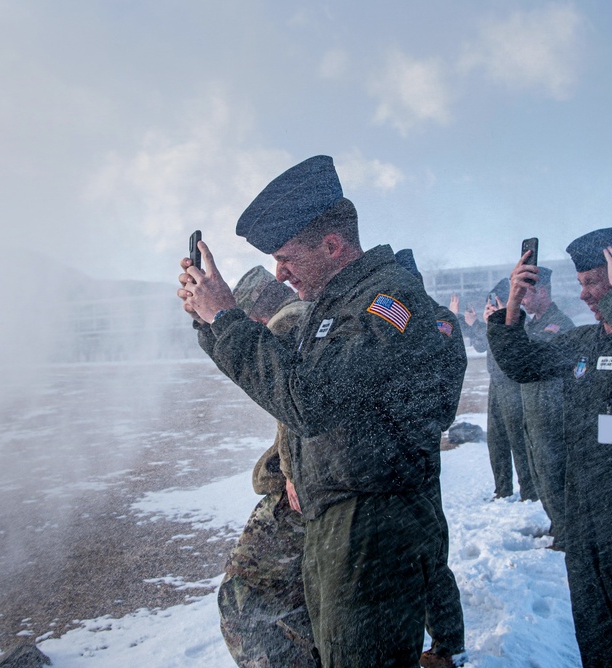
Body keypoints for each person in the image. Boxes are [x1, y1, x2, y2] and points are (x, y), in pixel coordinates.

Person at [178, 155, 461, 667]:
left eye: (287, 259)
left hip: (374, 530)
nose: (280, 275)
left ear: (332, 245)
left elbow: (310, 399)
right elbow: (289, 383)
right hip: (341, 520)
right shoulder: (339, 305)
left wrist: (226, 316)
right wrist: (212, 322)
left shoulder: (386, 302)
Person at [488, 227, 612, 667]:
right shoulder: (582, 344)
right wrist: (514, 305)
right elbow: (521, 363)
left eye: (595, 282)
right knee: (598, 637)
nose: (584, 294)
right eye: (581, 284)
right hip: (587, 515)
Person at [217, 266, 315, 667]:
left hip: (301, 491)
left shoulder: (287, 321)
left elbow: (295, 406)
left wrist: (291, 473)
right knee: (301, 602)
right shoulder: (308, 315)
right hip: (314, 483)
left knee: (242, 600)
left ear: (255, 313)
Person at [395, 249, 467, 668]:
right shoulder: (404, 318)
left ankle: (447, 644)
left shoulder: (436, 320)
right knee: (410, 552)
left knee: (428, 553)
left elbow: (442, 391)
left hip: (417, 453)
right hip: (395, 455)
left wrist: (420, 427)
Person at [461, 280, 537, 501]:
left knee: (518, 441)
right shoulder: (494, 324)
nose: (492, 306)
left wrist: (484, 323)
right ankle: (502, 489)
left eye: (496, 302)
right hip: (496, 384)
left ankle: (529, 492)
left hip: (513, 385)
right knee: (497, 440)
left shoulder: (516, 323)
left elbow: (501, 343)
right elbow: (481, 344)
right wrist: (478, 323)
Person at [518, 266, 575, 549]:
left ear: (542, 291)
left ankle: (566, 533)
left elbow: (532, 355)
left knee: (555, 477)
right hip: (534, 412)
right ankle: (557, 525)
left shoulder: (559, 324)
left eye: (526, 294)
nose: (522, 300)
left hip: (552, 416)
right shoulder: (531, 323)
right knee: (541, 475)